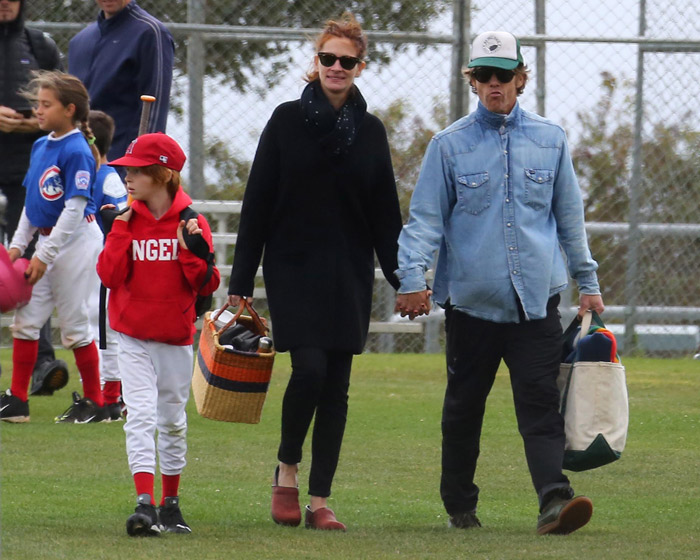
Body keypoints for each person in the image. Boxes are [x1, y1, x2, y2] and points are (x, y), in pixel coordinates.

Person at [394, 30, 605, 535]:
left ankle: (554, 499)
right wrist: (410, 278)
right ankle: (459, 507)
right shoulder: (448, 146)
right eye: (484, 75)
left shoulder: (551, 140)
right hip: (471, 304)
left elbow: (570, 219)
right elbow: (424, 221)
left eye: (503, 75)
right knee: (463, 409)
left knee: (539, 401)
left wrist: (588, 282)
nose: (494, 84)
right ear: (472, 80)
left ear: (520, 79)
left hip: (536, 302)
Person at [227, 13, 403, 532]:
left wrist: (405, 281)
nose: (336, 67)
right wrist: (240, 288)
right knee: (309, 370)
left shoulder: (370, 132)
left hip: (348, 271)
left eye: (347, 61)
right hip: (292, 268)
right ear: (316, 62)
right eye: (328, 58)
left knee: (338, 386)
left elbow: (385, 217)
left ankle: (321, 498)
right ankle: (286, 471)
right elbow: (256, 204)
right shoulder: (285, 120)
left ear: (359, 67)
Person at [97, 132, 220, 537]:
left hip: (174, 336)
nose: (128, 178)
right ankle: (143, 503)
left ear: (162, 174)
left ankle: (171, 505)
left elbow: (206, 284)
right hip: (131, 333)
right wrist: (118, 230)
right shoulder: (125, 220)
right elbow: (109, 276)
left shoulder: (191, 221)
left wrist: (191, 249)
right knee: (140, 416)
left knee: (171, 420)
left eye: (136, 171)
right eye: (127, 171)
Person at [0, 71, 105, 424]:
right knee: (26, 322)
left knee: (74, 325)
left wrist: (43, 256)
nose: (38, 110)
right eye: (38, 104)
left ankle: (95, 402)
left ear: (70, 109)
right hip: (49, 239)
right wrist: (17, 248)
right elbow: (33, 202)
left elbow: (75, 208)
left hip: (76, 241)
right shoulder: (41, 144)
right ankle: (17, 401)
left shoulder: (77, 149)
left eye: (47, 104)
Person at [0, 0, 69, 393]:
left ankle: (42, 364)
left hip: (29, 174)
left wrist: (30, 120)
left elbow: (63, 109)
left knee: (29, 266)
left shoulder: (40, 46)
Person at [68, 0, 174, 162]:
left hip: (122, 164)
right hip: (80, 162)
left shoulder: (150, 33)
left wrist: (140, 167)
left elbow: (154, 108)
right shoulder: (79, 41)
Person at [86, 109, 128, 421]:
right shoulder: (88, 173)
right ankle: (104, 392)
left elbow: (123, 218)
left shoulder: (108, 178)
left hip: (105, 262)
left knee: (105, 329)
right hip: (88, 263)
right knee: (92, 324)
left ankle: (111, 398)